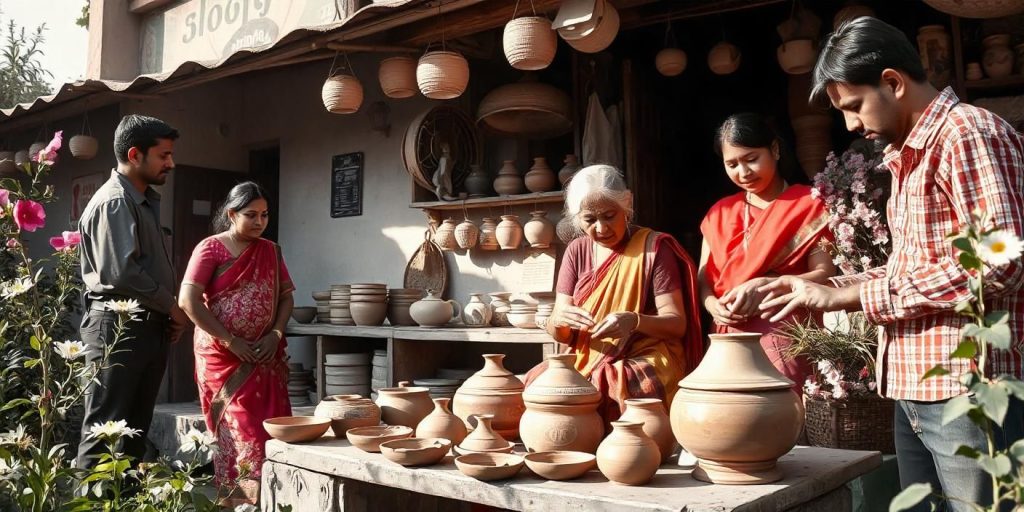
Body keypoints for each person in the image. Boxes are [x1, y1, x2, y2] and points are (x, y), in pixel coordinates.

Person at [759, 17, 1024, 511]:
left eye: (853, 106)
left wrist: (856, 295)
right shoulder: (909, 154)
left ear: (893, 82)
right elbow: (915, 268)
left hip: (968, 390)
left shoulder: (966, 134)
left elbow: (1000, 264)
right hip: (916, 389)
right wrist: (824, 286)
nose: (851, 125)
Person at [530, 164, 704, 424]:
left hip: (644, 355)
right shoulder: (576, 251)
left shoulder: (653, 249)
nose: (601, 229)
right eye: (589, 220)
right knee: (537, 384)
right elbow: (560, 332)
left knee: (616, 384)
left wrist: (634, 321)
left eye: (609, 216)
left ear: (627, 205)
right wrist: (560, 321)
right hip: (586, 358)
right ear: (577, 218)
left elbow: (677, 324)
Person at [76, 114, 188, 468]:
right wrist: (171, 306)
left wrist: (165, 314)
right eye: (163, 155)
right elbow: (122, 273)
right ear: (135, 155)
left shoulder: (141, 201)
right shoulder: (114, 202)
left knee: (132, 435)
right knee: (104, 434)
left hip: (144, 326)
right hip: (116, 327)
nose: (170, 163)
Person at [698, 113, 835, 391]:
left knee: (786, 418)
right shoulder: (719, 214)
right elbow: (705, 281)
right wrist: (714, 307)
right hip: (728, 334)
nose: (743, 172)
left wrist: (768, 285)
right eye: (732, 164)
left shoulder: (809, 204)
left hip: (786, 330)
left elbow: (824, 272)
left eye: (751, 158)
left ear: (774, 149)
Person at [178, 181, 294, 495]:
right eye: (251, 215)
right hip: (223, 357)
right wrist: (231, 341)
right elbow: (188, 300)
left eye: (264, 215)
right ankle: (237, 500)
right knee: (241, 432)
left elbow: (286, 298)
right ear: (231, 214)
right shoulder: (210, 248)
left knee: (272, 429)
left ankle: (271, 499)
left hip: (265, 356)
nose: (259, 222)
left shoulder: (270, 250)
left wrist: (276, 334)